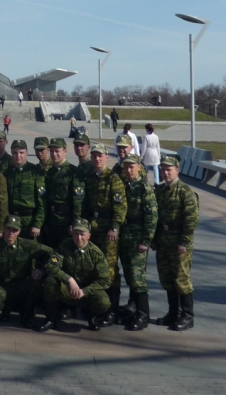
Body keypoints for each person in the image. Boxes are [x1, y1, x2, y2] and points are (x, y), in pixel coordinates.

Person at [152, 155, 199, 331]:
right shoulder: (161, 191)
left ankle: (187, 316)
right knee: (167, 279)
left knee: (182, 279)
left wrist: (184, 242)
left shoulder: (185, 192)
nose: (165, 173)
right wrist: (155, 239)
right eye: (163, 170)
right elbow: (155, 217)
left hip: (179, 242)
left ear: (177, 170)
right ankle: (173, 312)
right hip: (164, 241)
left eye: (169, 170)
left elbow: (191, 220)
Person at [38, 219, 111, 331]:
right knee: (50, 282)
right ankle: (51, 319)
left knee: (103, 302)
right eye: (76, 234)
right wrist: (69, 280)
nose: (79, 238)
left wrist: (84, 291)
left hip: (86, 292)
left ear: (89, 236)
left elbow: (105, 280)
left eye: (82, 234)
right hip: (68, 289)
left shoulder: (96, 254)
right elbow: (51, 266)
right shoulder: (64, 246)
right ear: (71, 233)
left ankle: (91, 316)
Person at [82, 142, 127, 322]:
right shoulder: (90, 177)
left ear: (106, 158)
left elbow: (120, 207)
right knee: (92, 267)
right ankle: (95, 305)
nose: (97, 159)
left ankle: (111, 309)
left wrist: (115, 227)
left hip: (108, 229)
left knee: (109, 269)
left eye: (100, 155)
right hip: (93, 228)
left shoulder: (113, 179)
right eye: (94, 156)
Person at [118, 154, 158, 331]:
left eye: (132, 167)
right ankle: (133, 309)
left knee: (137, 277)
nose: (129, 170)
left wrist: (146, 240)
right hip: (125, 237)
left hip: (138, 238)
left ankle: (143, 315)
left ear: (140, 168)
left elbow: (151, 217)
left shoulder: (144, 189)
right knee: (129, 276)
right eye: (126, 167)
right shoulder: (125, 186)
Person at [0, 215, 40, 328]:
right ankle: (5, 308)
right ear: (3, 229)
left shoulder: (28, 245)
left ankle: (26, 316)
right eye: (8, 229)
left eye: (14, 230)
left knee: (35, 284)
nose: (11, 232)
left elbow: (51, 254)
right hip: (2, 284)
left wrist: (41, 269)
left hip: (21, 285)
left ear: (19, 231)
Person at [42, 138, 84, 250]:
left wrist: (74, 223)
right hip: (52, 220)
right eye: (52, 151)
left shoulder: (73, 172)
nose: (54, 154)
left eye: (57, 151)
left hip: (66, 220)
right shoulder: (50, 172)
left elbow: (78, 202)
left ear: (65, 151)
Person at [4, 139, 45, 240]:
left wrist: (37, 224)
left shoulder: (35, 172)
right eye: (15, 153)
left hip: (29, 221)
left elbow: (42, 201)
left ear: (26, 153)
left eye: (21, 153)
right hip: (11, 220)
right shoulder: (7, 173)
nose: (18, 156)